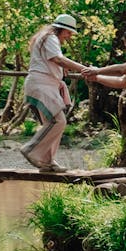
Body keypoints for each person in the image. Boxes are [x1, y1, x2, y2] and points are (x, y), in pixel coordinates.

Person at [20, 13, 88, 173]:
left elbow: (52, 61)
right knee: (58, 121)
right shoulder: (50, 37)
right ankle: (31, 149)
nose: (69, 36)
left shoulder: (46, 37)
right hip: (42, 85)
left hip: (44, 85)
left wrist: (62, 68)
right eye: (68, 32)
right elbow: (57, 59)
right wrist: (83, 68)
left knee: (52, 122)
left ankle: (47, 161)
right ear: (60, 29)